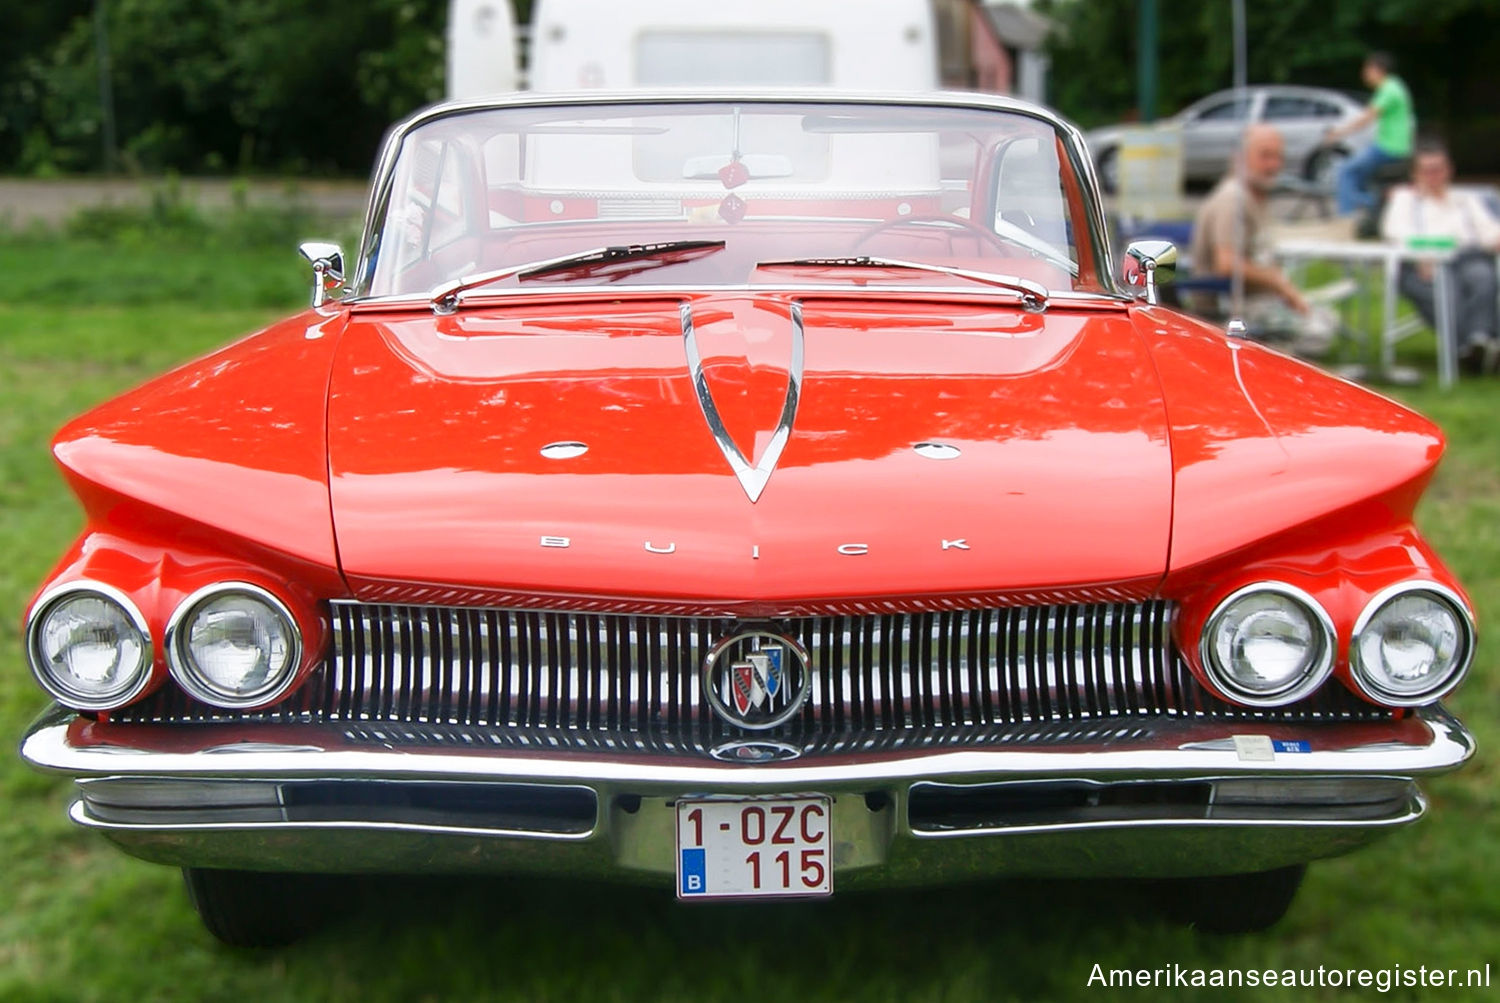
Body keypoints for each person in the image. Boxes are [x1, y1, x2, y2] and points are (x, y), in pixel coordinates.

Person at [1189, 123, 1335, 357]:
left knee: (1326, 316)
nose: (1274, 165)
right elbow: (1225, 264)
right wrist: (1276, 282)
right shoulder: (1232, 200)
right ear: (1241, 158)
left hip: (1258, 302)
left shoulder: (1255, 196)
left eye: (1278, 157)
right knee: (1317, 328)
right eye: (1265, 156)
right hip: (1232, 311)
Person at [1381, 140, 1500, 374]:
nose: (1434, 176)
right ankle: (1474, 349)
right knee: (1446, 292)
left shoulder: (1465, 200)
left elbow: (1488, 231)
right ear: (1416, 174)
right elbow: (1395, 232)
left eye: (1439, 169)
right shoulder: (1405, 200)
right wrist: (1422, 255)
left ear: (1449, 170)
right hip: (1422, 264)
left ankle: (1477, 341)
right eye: (1427, 170)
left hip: (1467, 258)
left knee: (1483, 278)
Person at [1324, 52, 1415, 217]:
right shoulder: (1395, 85)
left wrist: (1337, 133)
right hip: (1394, 146)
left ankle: (1350, 215)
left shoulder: (1389, 90)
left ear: (1377, 69)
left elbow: (1366, 118)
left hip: (1389, 147)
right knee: (1358, 178)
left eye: (1367, 69)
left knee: (1345, 171)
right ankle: (1374, 206)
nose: (1364, 74)